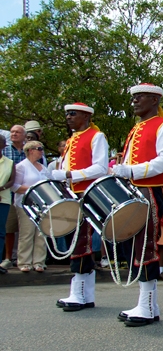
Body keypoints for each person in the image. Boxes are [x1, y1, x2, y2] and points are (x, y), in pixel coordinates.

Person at [113, 83, 163, 327]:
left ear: (154, 100)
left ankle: (148, 306)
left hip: (149, 190)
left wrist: (132, 170)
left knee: (145, 245)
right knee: (133, 244)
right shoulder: (136, 128)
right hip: (133, 189)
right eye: (134, 97)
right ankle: (146, 303)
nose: (135, 101)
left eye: (140, 97)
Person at [50, 102, 109, 311]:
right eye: (67, 114)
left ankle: (81, 294)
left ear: (85, 116)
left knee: (81, 241)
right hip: (72, 194)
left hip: (86, 194)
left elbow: (101, 167)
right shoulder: (71, 139)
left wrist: (68, 174)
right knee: (75, 240)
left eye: (73, 114)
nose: (68, 117)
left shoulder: (96, 136)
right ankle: (82, 293)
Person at [12, 140, 51, 272]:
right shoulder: (21, 167)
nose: (42, 151)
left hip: (42, 205)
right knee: (27, 233)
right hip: (25, 204)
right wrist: (34, 189)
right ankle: (24, 262)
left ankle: (39, 261)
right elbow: (15, 186)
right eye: (39, 149)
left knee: (41, 233)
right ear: (30, 150)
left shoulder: (43, 168)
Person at [1, 125, 26, 270]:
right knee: (8, 227)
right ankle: (8, 258)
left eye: (17, 132)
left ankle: (22, 258)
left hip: (24, 194)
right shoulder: (4, 150)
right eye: (12, 132)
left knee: (24, 229)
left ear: (24, 135)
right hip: (7, 194)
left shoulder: (29, 150)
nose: (14, 134)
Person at [0, 136, 15, 274]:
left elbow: (12, 180)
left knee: (0, 232)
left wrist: (2, 188)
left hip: (3, 199)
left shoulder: (9, 162)